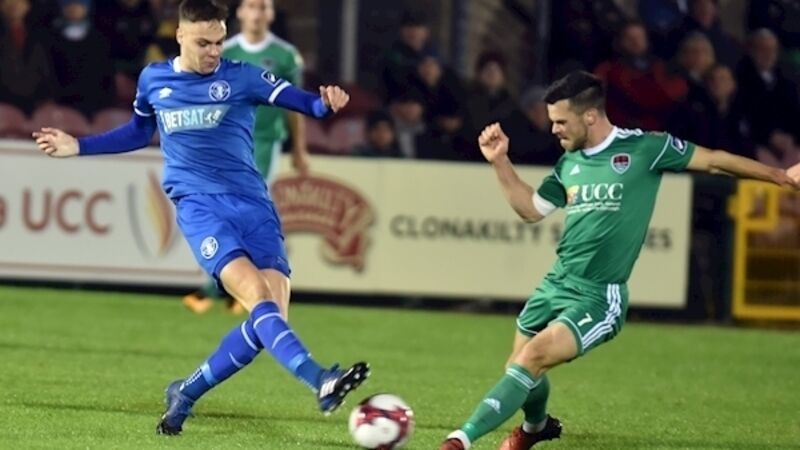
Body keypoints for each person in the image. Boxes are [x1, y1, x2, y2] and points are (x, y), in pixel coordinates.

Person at [32, 0, 369, 436]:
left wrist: (327, 103)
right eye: (203, 43)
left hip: (254, 206)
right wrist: (79, 146)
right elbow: (139, 131)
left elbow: (306, 104)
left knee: (269, 320)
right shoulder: (154, 79)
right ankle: (320, 379)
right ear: (180, 36)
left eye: (218, 42)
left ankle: (185, 393)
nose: (213, 52)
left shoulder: (243, 76)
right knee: (258, 297)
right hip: (201, 208)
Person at [439, 71, 796, 450]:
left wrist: (779, 176)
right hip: (556, 283)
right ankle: (536, 427)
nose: (554, 129)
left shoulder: (646, 148)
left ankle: (459, 441)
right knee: (519, 367)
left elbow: (714, 161)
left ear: (590, 116)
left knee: (532, 358)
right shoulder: (569, 163)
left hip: (598, 295)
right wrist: (499, 161)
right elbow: (530, 209)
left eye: (561, 121)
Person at [182, 0, 310, 314]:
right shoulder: (225, 50)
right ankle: (233, 287)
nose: (256, 13)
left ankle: (217, 289)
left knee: (246, 207)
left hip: (264, 141)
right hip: (228, 143)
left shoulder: (285, 55)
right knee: (224, 210)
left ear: (271, 14)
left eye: (262, 7)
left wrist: (299, 148)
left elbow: (294, 106)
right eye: (251, 6)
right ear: (240, 12)